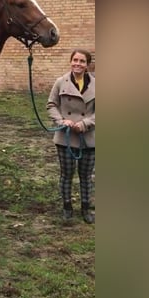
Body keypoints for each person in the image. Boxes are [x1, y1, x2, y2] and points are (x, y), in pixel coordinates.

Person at [47, 49, 95, 224]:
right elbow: (51, 105)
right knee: (66, 174)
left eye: (82, 61)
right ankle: (67, 207)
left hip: (89, 138)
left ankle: (86, 208)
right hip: (65, 137)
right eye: (75, 60)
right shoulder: (61, 82)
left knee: (86, 175)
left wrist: (85, 123)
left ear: (87, 65)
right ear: (70, 61)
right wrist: (61, 120)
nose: (78, 64)